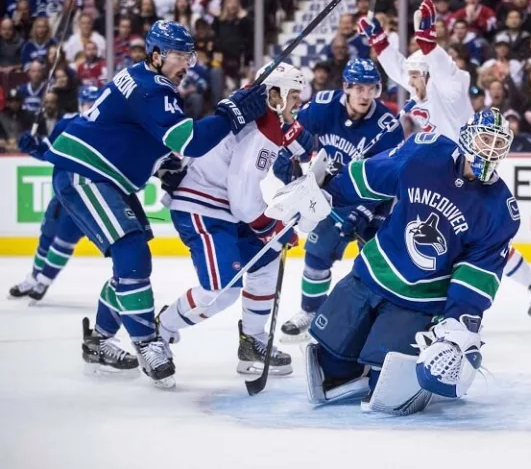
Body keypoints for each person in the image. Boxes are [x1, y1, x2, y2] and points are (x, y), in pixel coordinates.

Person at [44, 21, 270, 388]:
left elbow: (139, 138)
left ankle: (100, 339)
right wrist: (231, 114)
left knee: (131, 256)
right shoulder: (153, 89)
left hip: (102, 176)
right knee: (131, 249)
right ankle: (147, 342)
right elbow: (190, 142)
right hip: (86, 174)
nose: (187, 64)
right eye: (180, 55)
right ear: (156, 54)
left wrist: (165, 166)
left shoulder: (144, 81)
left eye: (189, 55)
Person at [299, 108, 519, 414]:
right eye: (485, 139)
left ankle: (394, 374)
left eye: (498, 144)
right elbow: (373, 176)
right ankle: (352, 367)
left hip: (418, 302)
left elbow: (476, 277)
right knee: (329, 364)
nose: (490, 150)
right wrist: (327, 192)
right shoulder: (426, 152)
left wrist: (458, 325)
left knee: (389, 392)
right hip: (371, 273)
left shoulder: (500, 211)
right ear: (467, 137)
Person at [359, 0, 531, 319]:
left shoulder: (451, 91)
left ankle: (444, 301)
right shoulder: (421, 88)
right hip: (443, 176)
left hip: (468, 173)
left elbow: (443, 71)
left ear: (430, 74)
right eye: (410, 76)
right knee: (467, 239)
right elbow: (400, 69)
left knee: (470, 241)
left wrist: (429, 42)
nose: (409, 81)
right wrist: (379, 42)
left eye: (416, 75)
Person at [155, 63, 308, 377]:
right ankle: (160, 331)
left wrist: (271, 230)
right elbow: (242, 197)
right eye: (293, 94)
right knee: (221, 288)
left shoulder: (258, 112)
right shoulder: (264, 125)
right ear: (274, 93)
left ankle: (253, 339)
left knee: (266, 259)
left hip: (221, 206)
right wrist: (271, 225)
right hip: (201, 206)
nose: (297, 102)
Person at [275, 58, 405, 342]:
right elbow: (293, 135)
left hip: (375, 200)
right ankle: (311, 313)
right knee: (317, 256)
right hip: (331, 196)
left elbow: (389, 178)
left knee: (374, 262)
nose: (365, 95)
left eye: (371, 88)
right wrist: (289, 166)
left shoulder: (387, 127)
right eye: (358, 88)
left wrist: (364, 211)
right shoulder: (323, 106)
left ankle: (376, 319)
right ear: (346, 86)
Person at [8, 86, 100, 302]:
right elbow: (49, 153)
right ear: (80, 103)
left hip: (86, 198)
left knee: (65, 240)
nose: (90, 107)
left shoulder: (108, 130)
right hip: (61, 193)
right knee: (47, 234)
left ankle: (44, 281)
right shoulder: (67, 124)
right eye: (87, 103)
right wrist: (32, 147)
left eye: (94, 103)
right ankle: (33, 277)